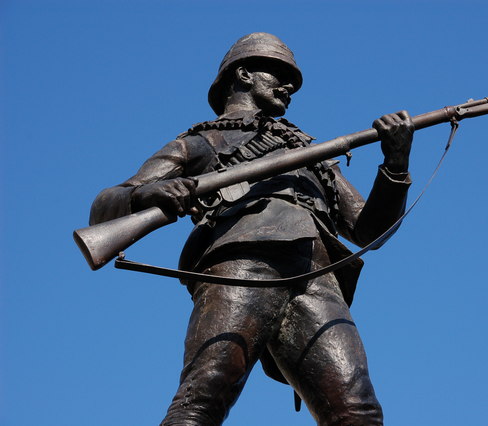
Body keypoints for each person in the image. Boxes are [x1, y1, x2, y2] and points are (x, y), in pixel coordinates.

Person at [89, 32, 414, 425]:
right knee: (203, 397)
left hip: (317, 276)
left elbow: (367, 230)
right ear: (243, 74)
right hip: (243, 262)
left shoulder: (310, 153)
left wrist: (395, 164)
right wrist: (150, 193)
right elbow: (107, 207)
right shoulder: (200, 141)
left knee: (358, 412)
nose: (289, 85)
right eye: (277, 73)